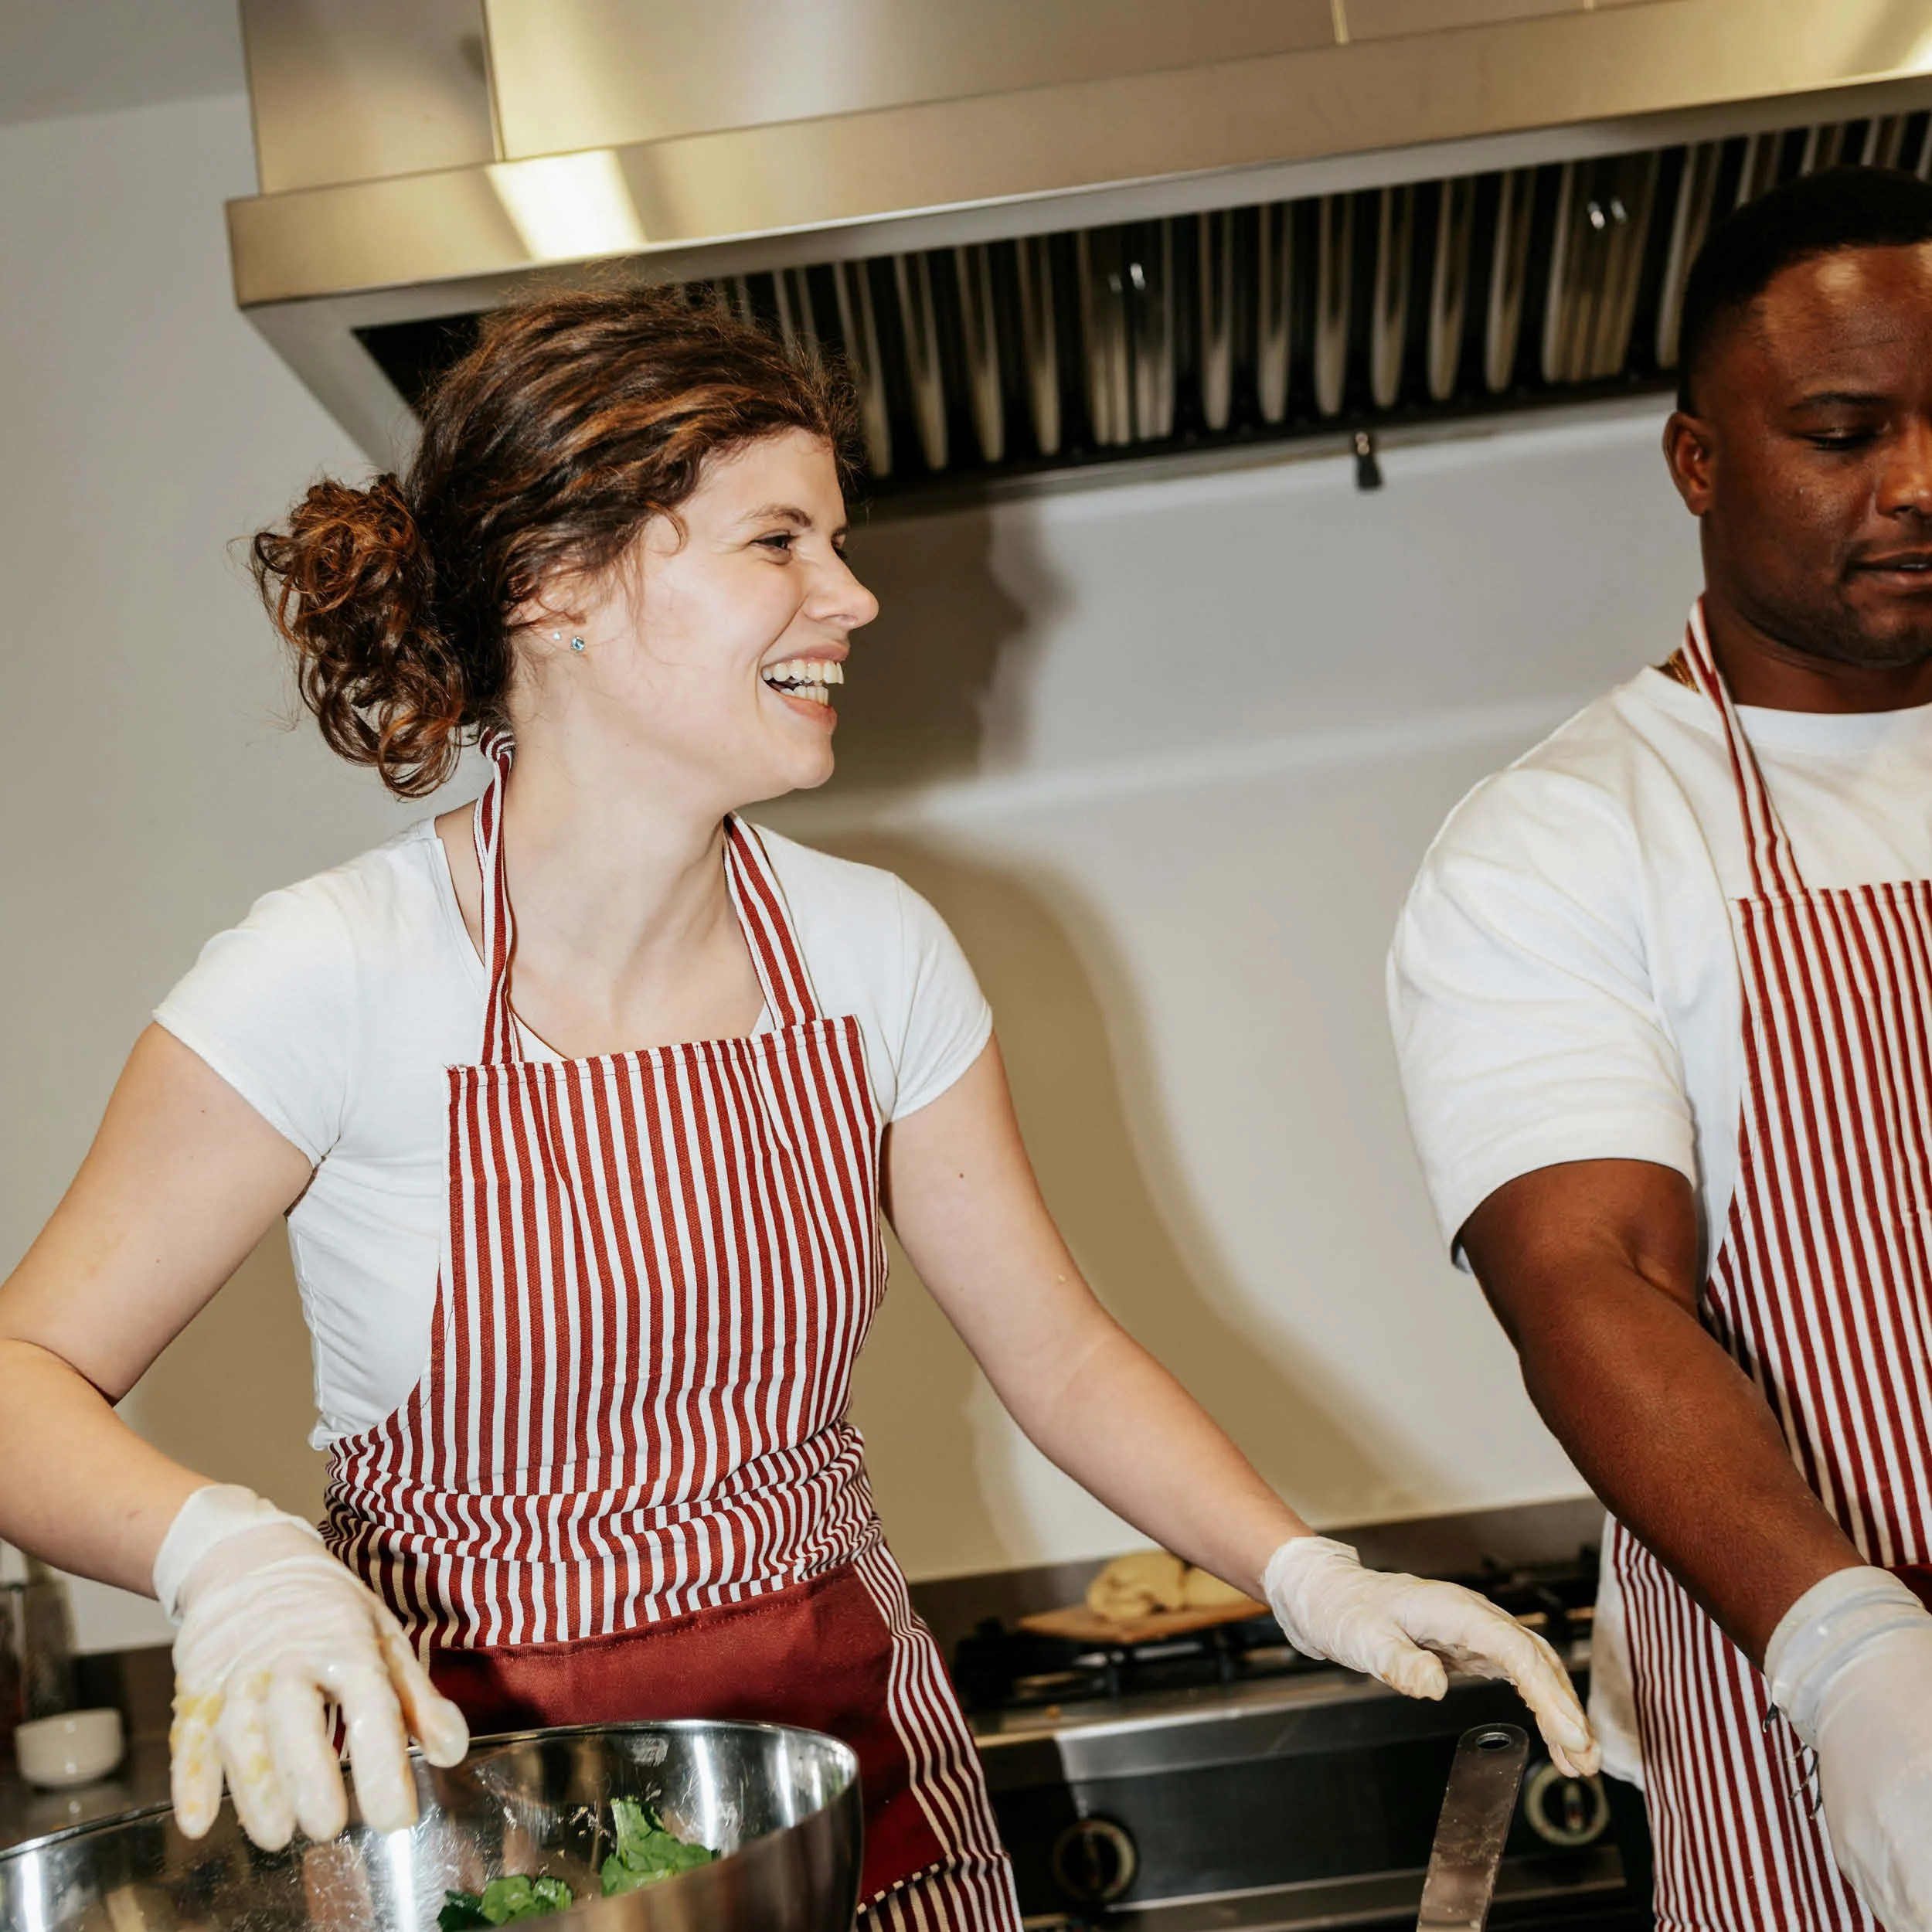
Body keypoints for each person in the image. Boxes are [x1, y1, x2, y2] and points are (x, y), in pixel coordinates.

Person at [0, 291, 1590, 1930]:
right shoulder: (333, 973)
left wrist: (1303, 1571)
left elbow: (1057, 1352)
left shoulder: (865, 949)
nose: (851, 593)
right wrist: (225, 1556)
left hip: (860, 1806)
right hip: (481, 1832)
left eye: (835, 537)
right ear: (558, 585)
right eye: (777, 540)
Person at [1389, 165, 1932, 1932]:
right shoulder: (1567, 838)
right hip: (1825, 1736)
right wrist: (1855, 1656)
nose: (1915, 482)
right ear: (1698, 461)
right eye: (1841, 430)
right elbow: (1590, 1275)